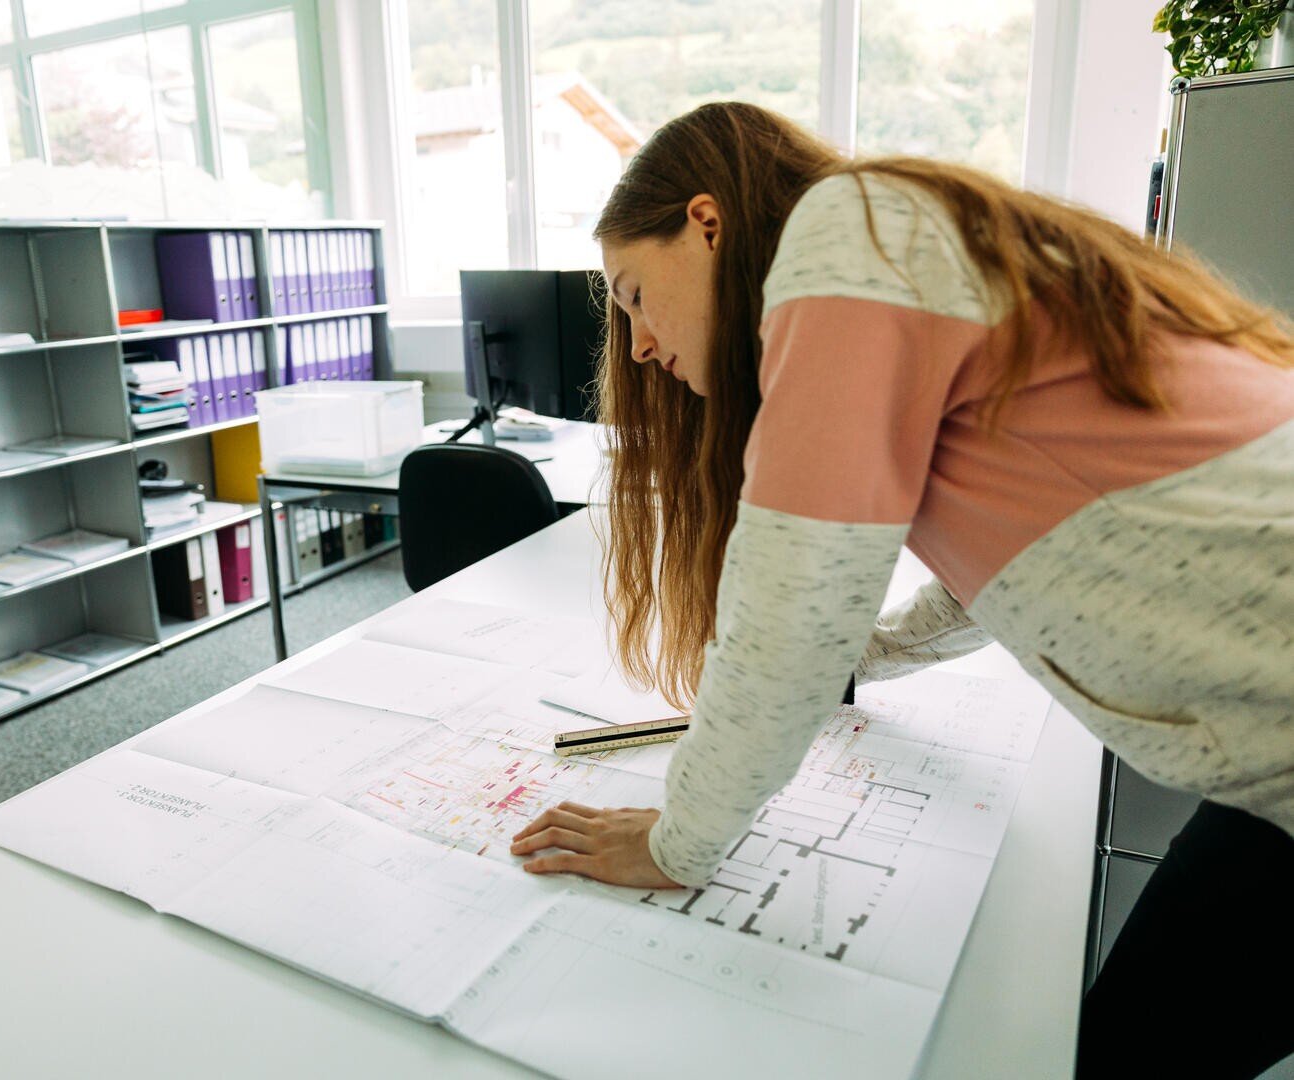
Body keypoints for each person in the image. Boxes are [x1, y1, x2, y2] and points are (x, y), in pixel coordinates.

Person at [506, 101, 1294, 1078]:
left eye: (633, 296)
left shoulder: (849, 235)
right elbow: (997, 571)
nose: (636, 346)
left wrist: (678, 842)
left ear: (706, 224)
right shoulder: (899, 251)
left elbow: (790, 612)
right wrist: (867, 655)